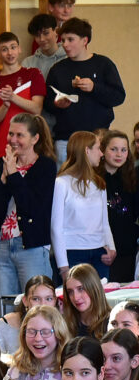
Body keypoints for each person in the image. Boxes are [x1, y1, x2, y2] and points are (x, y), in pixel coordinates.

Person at [0, 113, 56, 301]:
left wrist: (13, 175)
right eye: (11, 134)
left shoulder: (45, 166)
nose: (13, 140)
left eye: (20, 135)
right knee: (6, 306)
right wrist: (3, 180)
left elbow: (31, 207)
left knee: (37, 305)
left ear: (35, 139)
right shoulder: (4, 165)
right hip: (3, 245)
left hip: (31, 247)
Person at [44, 19, 126, 166]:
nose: (65, 45)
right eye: (63, 40)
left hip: (98, 139)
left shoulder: (103, 64)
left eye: (70, 39)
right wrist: (57, 104)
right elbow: (46, 103)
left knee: (98, 179)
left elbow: (118, 97)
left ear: (85, 40)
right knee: (66, 179)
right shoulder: (57, 69)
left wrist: (94, 88)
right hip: (66, 140)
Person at [52, 133, 113, 280]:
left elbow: (104, 222)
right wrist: (63, 266)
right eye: (98, 148)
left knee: (101, 293)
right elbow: (56, 227)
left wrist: (112, 248)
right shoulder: (62, 183)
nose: (101, 154)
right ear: (86, 150)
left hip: (99, 253)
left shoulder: (99, 183)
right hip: (72, 253)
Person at [0, 32, 46, 162]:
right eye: (4, 49)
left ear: (19, 49)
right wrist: (5, 106)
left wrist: (13, 97)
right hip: (4, 149)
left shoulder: (33, 74)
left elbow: (37, 109)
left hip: (31, 148)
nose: (10, 53)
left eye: (13, 47)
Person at [7, 305, 72, 380]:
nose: (38, 338)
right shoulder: (15, 372)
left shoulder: (71, 372)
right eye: (31, 332)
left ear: (59, 334)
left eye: (45, 332)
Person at [99, 131, 139, 283]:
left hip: (126, 250)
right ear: (103, 150)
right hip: (103, 251)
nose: (119, 154)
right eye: (113, 149)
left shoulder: (132, 178)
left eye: (123, 150)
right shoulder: (94, 179)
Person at [22, 13, 67, 132]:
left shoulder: (68, 58)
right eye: (37, 35)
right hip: (38, 127)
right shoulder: (28, 63)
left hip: (64, 125)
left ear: (55, 31)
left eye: (46, 33)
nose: (42, 39)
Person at [0, 274, 56, 353]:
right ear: (25, 301)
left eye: (49, 299)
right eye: (36, 299)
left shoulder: (62, 325)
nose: (43, 305)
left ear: (55, 301)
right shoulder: (3, 326)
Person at [62, 263, 110, 339]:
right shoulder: (66, 324)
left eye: (81, 289)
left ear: (94, 288)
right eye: (70, 292)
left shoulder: (112, 322)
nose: (76, 298)